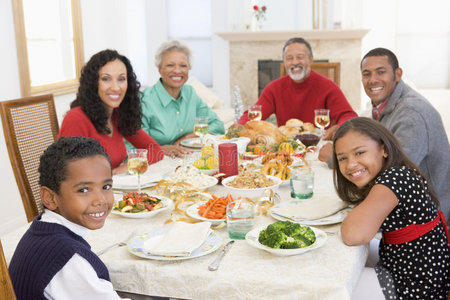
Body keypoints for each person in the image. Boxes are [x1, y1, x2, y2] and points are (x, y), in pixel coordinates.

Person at [333, 117, 450, 299]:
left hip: (416, 287)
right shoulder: (396, 172)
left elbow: (353, 234)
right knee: (343, 261)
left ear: (384, 149)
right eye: (342, 158)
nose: (351, 164)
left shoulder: (394, 180)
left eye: (360, 153)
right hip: (409, 265)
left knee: (340, 285)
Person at [8, 136, 129, 299]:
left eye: (106, 186)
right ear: (50, 198)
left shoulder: (42, 231)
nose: (100, 199)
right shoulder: (70, 260)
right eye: (84, 190)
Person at [360, 47, 450, 222]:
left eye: (381, 72)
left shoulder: (411, 113)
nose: (373, 80)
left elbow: (393, 174)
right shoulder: (385, 104)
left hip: (428, 217)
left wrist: (339, 159)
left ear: (398, 74)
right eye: (366, 74)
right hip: (404, 202)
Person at [58, 49, 164, 174]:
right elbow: (68, 173)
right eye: (106, 79)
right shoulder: (75, 118)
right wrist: (110, 176)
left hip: (112, 187)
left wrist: (123, 169)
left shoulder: (117, 115)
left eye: (121, 79)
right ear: (93, 83)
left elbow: (155, 150)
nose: (115, 87)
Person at [237, 37, 357, 139]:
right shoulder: (274, 88)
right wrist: (240, 125)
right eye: (289, 58)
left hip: (319, 145)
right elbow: (254, 114)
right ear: (284, 62)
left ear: (311, 59)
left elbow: (348, 115)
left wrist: (340, 127)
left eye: (300, 57)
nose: (295, 62)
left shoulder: (327, 86)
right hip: (286, 147)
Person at [139, 40, 225, 156]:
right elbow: (135, 145)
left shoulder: (190, 93)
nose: (177, 71)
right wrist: (161, 149)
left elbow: (217, 125)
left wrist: (187, 137)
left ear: (189, 68)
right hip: (156, 163)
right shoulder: (144, 100)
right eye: (170, 65)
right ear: (159, 69)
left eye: (183, 65)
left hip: (189, 160)